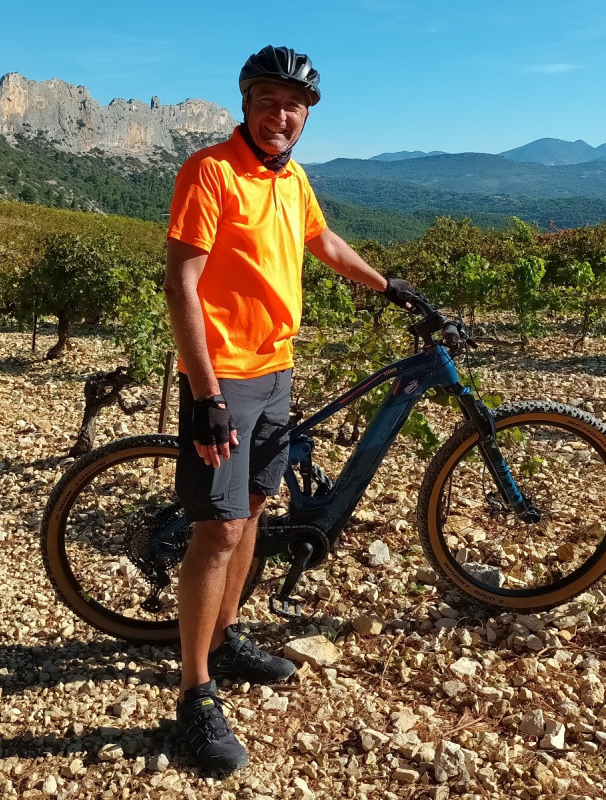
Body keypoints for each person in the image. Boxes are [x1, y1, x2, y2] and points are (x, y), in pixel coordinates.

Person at [164, 44, 415, 773]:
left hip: (276, 368)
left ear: (306, 117)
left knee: (256, 509)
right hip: (227, 375)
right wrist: (206, 392)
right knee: (219, 529)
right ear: (245, 104)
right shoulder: (209, 172)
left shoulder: (291, 176)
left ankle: (226, 636)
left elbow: (323, 241)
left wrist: (387, 286)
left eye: (294, 106)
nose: (283, 116)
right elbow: (182, 283)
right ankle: (193, 694)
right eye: (270, 102)